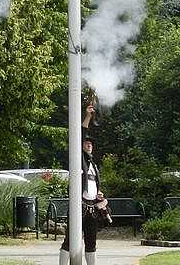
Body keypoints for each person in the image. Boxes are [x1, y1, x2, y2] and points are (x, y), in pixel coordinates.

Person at [60, 102, 107, 265]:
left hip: (92, 207)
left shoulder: (93, 164)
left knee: (91, 242)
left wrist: (99, 194)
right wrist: (88, 115)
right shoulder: (78, 159)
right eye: (86, 143)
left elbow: (92, 184)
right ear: (80, 146)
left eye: (91, 143)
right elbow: (80, 133)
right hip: (78, 206)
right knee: (70, 240)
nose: (89, 144)